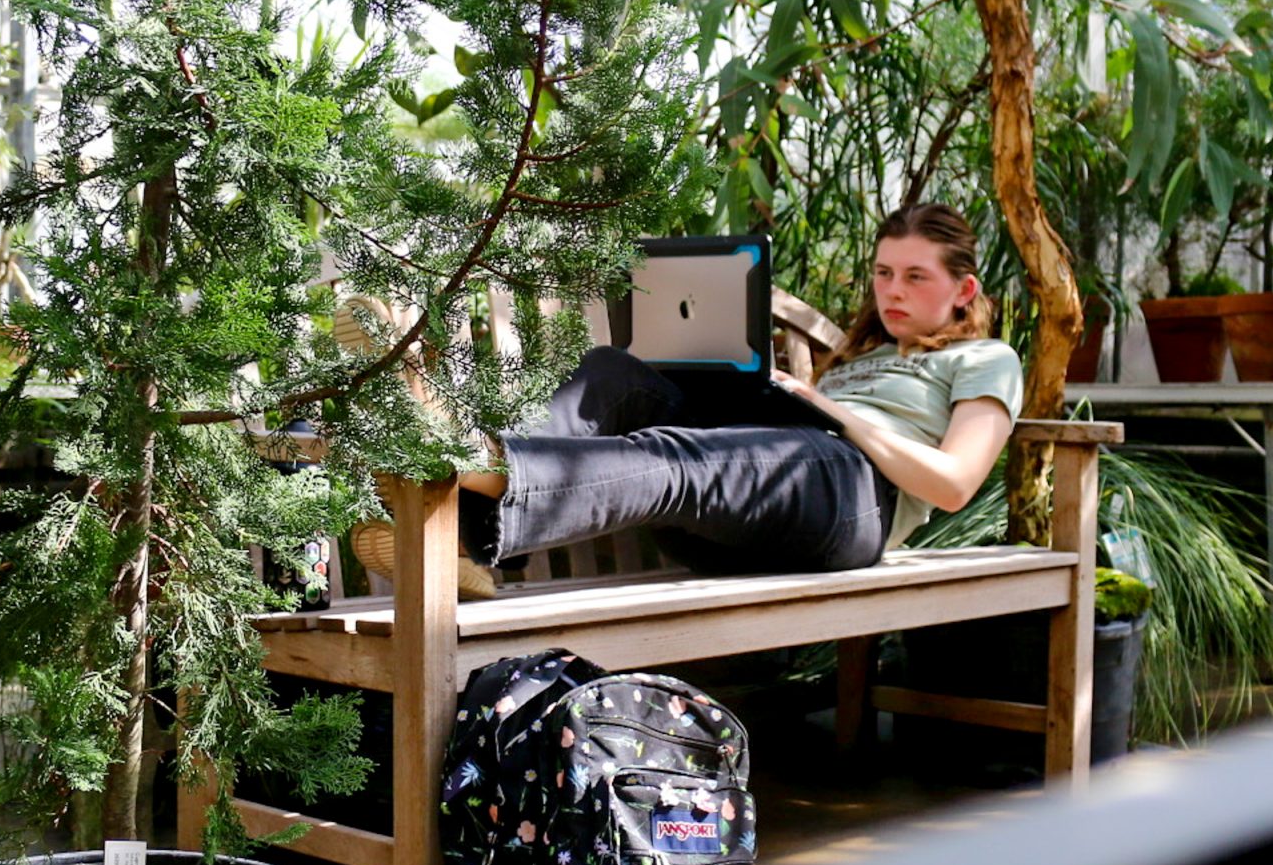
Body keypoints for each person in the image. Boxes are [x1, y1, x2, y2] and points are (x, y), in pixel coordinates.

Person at [349, 203, 1023, 598]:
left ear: (964, 290)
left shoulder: (987, 359)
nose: (892, 291)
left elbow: (956, 483)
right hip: (758, 505)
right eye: (883, 273)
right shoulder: (868, 356)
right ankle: (461, 536)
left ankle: (463, 454)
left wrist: (836, 413)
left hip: (854, 502)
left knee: (678, 458)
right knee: (618, 374)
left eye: (915, 277)